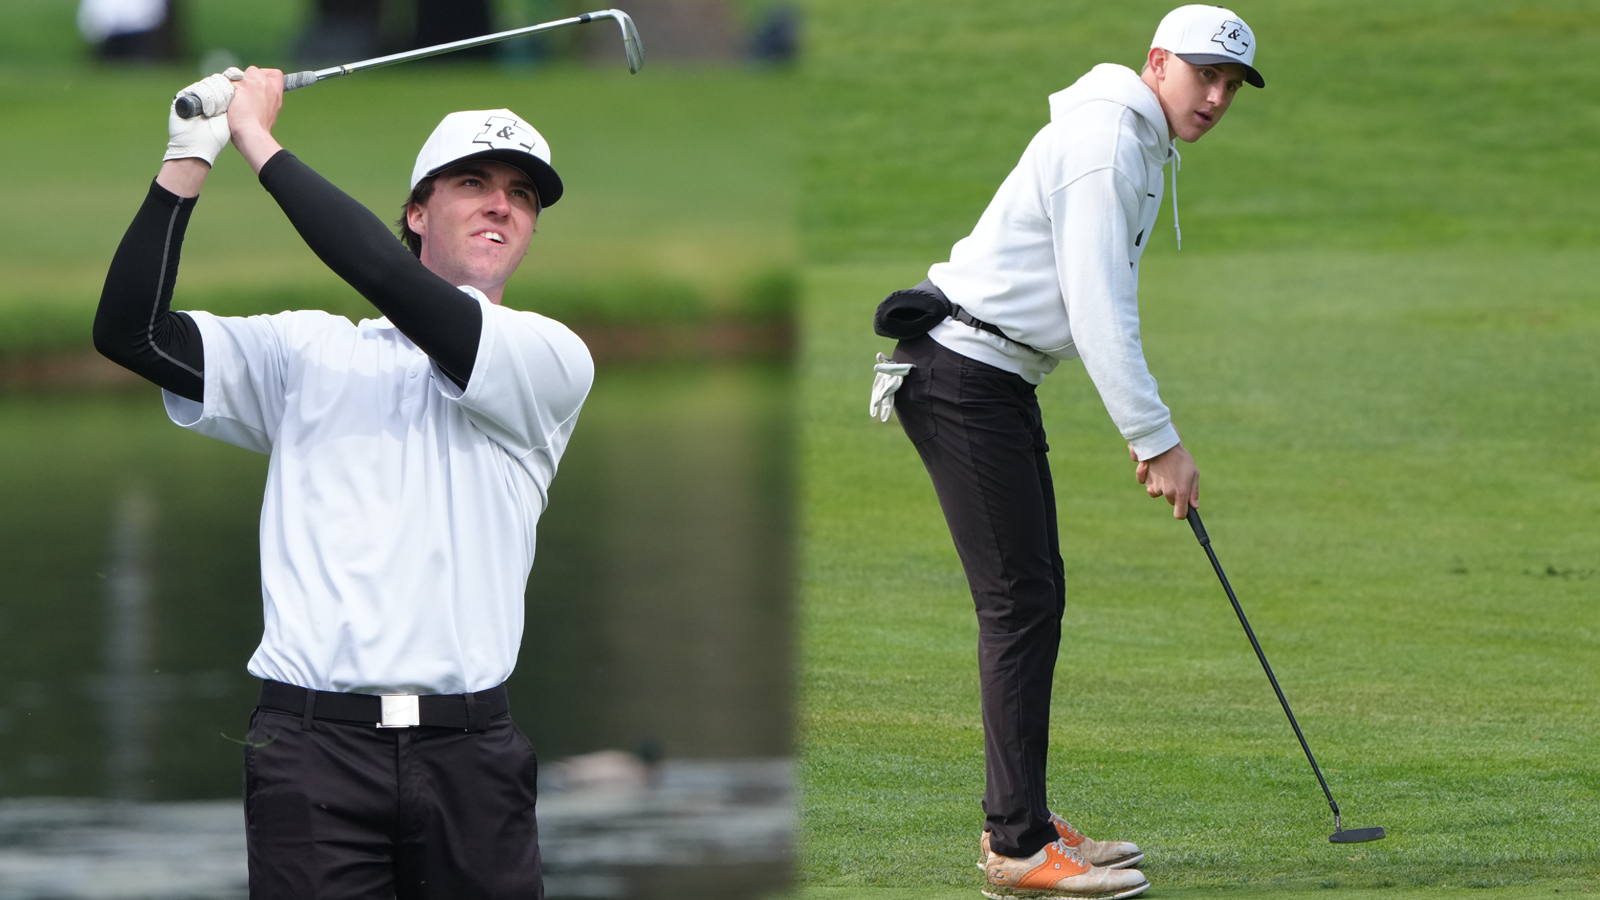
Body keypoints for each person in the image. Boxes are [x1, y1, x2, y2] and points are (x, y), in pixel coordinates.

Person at [94, 65, 594, 898]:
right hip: (311, 752)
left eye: (522, 194)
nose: (501, 204)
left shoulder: (548, 360)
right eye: (472, 182)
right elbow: (131, 333)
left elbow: (395, 285)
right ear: (416, 210)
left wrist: (257, 139)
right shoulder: (307, 354)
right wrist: (190, 154)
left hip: (470, 756)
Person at [869, 7, 1265, 899]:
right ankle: (1014, 847)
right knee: (1019, 602)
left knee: (1032, 596)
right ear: (1157, 62)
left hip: (990, 376)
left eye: (1231, 86)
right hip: (965, 372)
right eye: (1203, 74)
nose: (1215, 96)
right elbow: (1098, 313)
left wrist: (1148, 432)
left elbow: (1093, 308)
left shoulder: (1135, 139)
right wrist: (1157, 440)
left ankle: (1025, 819)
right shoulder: (1105, 145)